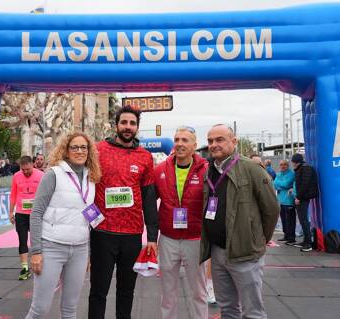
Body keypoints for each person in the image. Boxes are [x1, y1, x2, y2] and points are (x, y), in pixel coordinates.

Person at [200, 124, 279, 319]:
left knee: (253, 312)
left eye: (220, 140)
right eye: (210, 141)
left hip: (245, 254)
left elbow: (271, 209)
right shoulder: (209, 171)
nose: (214, 145)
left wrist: (257, 240)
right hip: (217, 252)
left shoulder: (252, 169)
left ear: (234, 142)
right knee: (227, 308)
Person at [88, 105, 158, 319]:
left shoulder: (145, 157)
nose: (128, 127)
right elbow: (84, 190)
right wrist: (90, 221)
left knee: (126, 291)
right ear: (116, 125)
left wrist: (152, 237)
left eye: (132, 123)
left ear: (137, 127)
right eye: (124, 122)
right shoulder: (98, 150)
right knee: (98, 291)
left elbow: (148, 199)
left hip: (132, 236)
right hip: (103, 233)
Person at [26, 132, 101, 318]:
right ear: (66, 151)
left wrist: (89, 253)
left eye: (84, 147)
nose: (79, 151)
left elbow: (89, 218)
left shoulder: (91, 178)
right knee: (40, 309)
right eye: (74, 147)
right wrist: (36, 251)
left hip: (80, 250)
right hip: (51, 247)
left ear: (89, 151)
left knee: (70, 309)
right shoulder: (54, 174)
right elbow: (36, 213)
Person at [154, 126, 209, 319]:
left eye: (185, 140)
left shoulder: (206, 170)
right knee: (167, 293)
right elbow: (148, 202)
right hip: (168, 238)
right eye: (176, 139)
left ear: (194, 146)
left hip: (195, 238)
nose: (179, 144)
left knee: (198, 291)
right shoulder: (160, 169)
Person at [9, 156, 44, 280]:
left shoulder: (41, 175)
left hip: (37, 213)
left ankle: (41, 262)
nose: (25, 172)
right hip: (21, 213)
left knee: (39, 239)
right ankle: (24, 268)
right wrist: (10, 212)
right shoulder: (16, 176)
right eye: (23, 170)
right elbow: (13, 195)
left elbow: (46, 195)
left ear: (32, 165)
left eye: (28, 169)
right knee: (22, 240)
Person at [290, 153, 318, 252]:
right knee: (302, 220)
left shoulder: (305, 169)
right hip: (303, 197)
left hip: (303, 198)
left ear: (296, 162)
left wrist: (298, 197)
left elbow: (304, 185)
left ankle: (309, 244)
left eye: (293, 161)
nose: (292, 163)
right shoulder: (303, 168)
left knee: (304, 220)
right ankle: (306, 240)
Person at [273, 160, 296, 245]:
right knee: (283, 220)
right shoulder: (278, 174)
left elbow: (286, 184)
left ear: (288, 166)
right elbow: (273, 184)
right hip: (281, 201)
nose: (283, 166)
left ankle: (291, 238)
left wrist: (279, 184)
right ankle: (286, 235)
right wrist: (280, 184)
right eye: (281, 165)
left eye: (285, 165)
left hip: (289, 201)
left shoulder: (291, 174)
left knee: (290, 221)